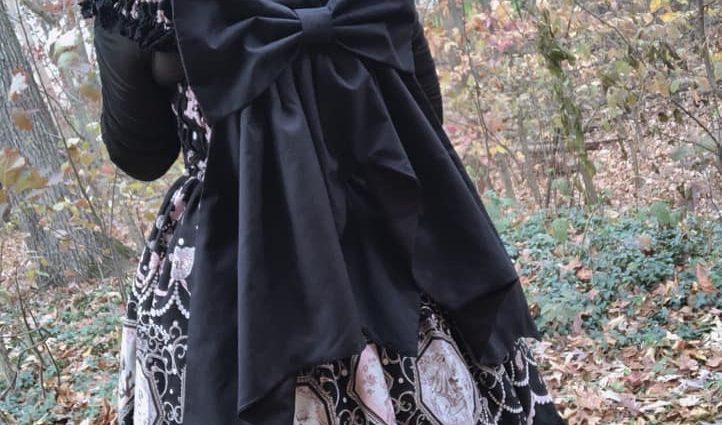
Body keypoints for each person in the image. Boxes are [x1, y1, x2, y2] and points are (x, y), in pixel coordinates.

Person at [83, 0, 566, 424]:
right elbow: (424, 102)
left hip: (233, 258)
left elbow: (140, 153)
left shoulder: (141, 6)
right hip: (387, 233)